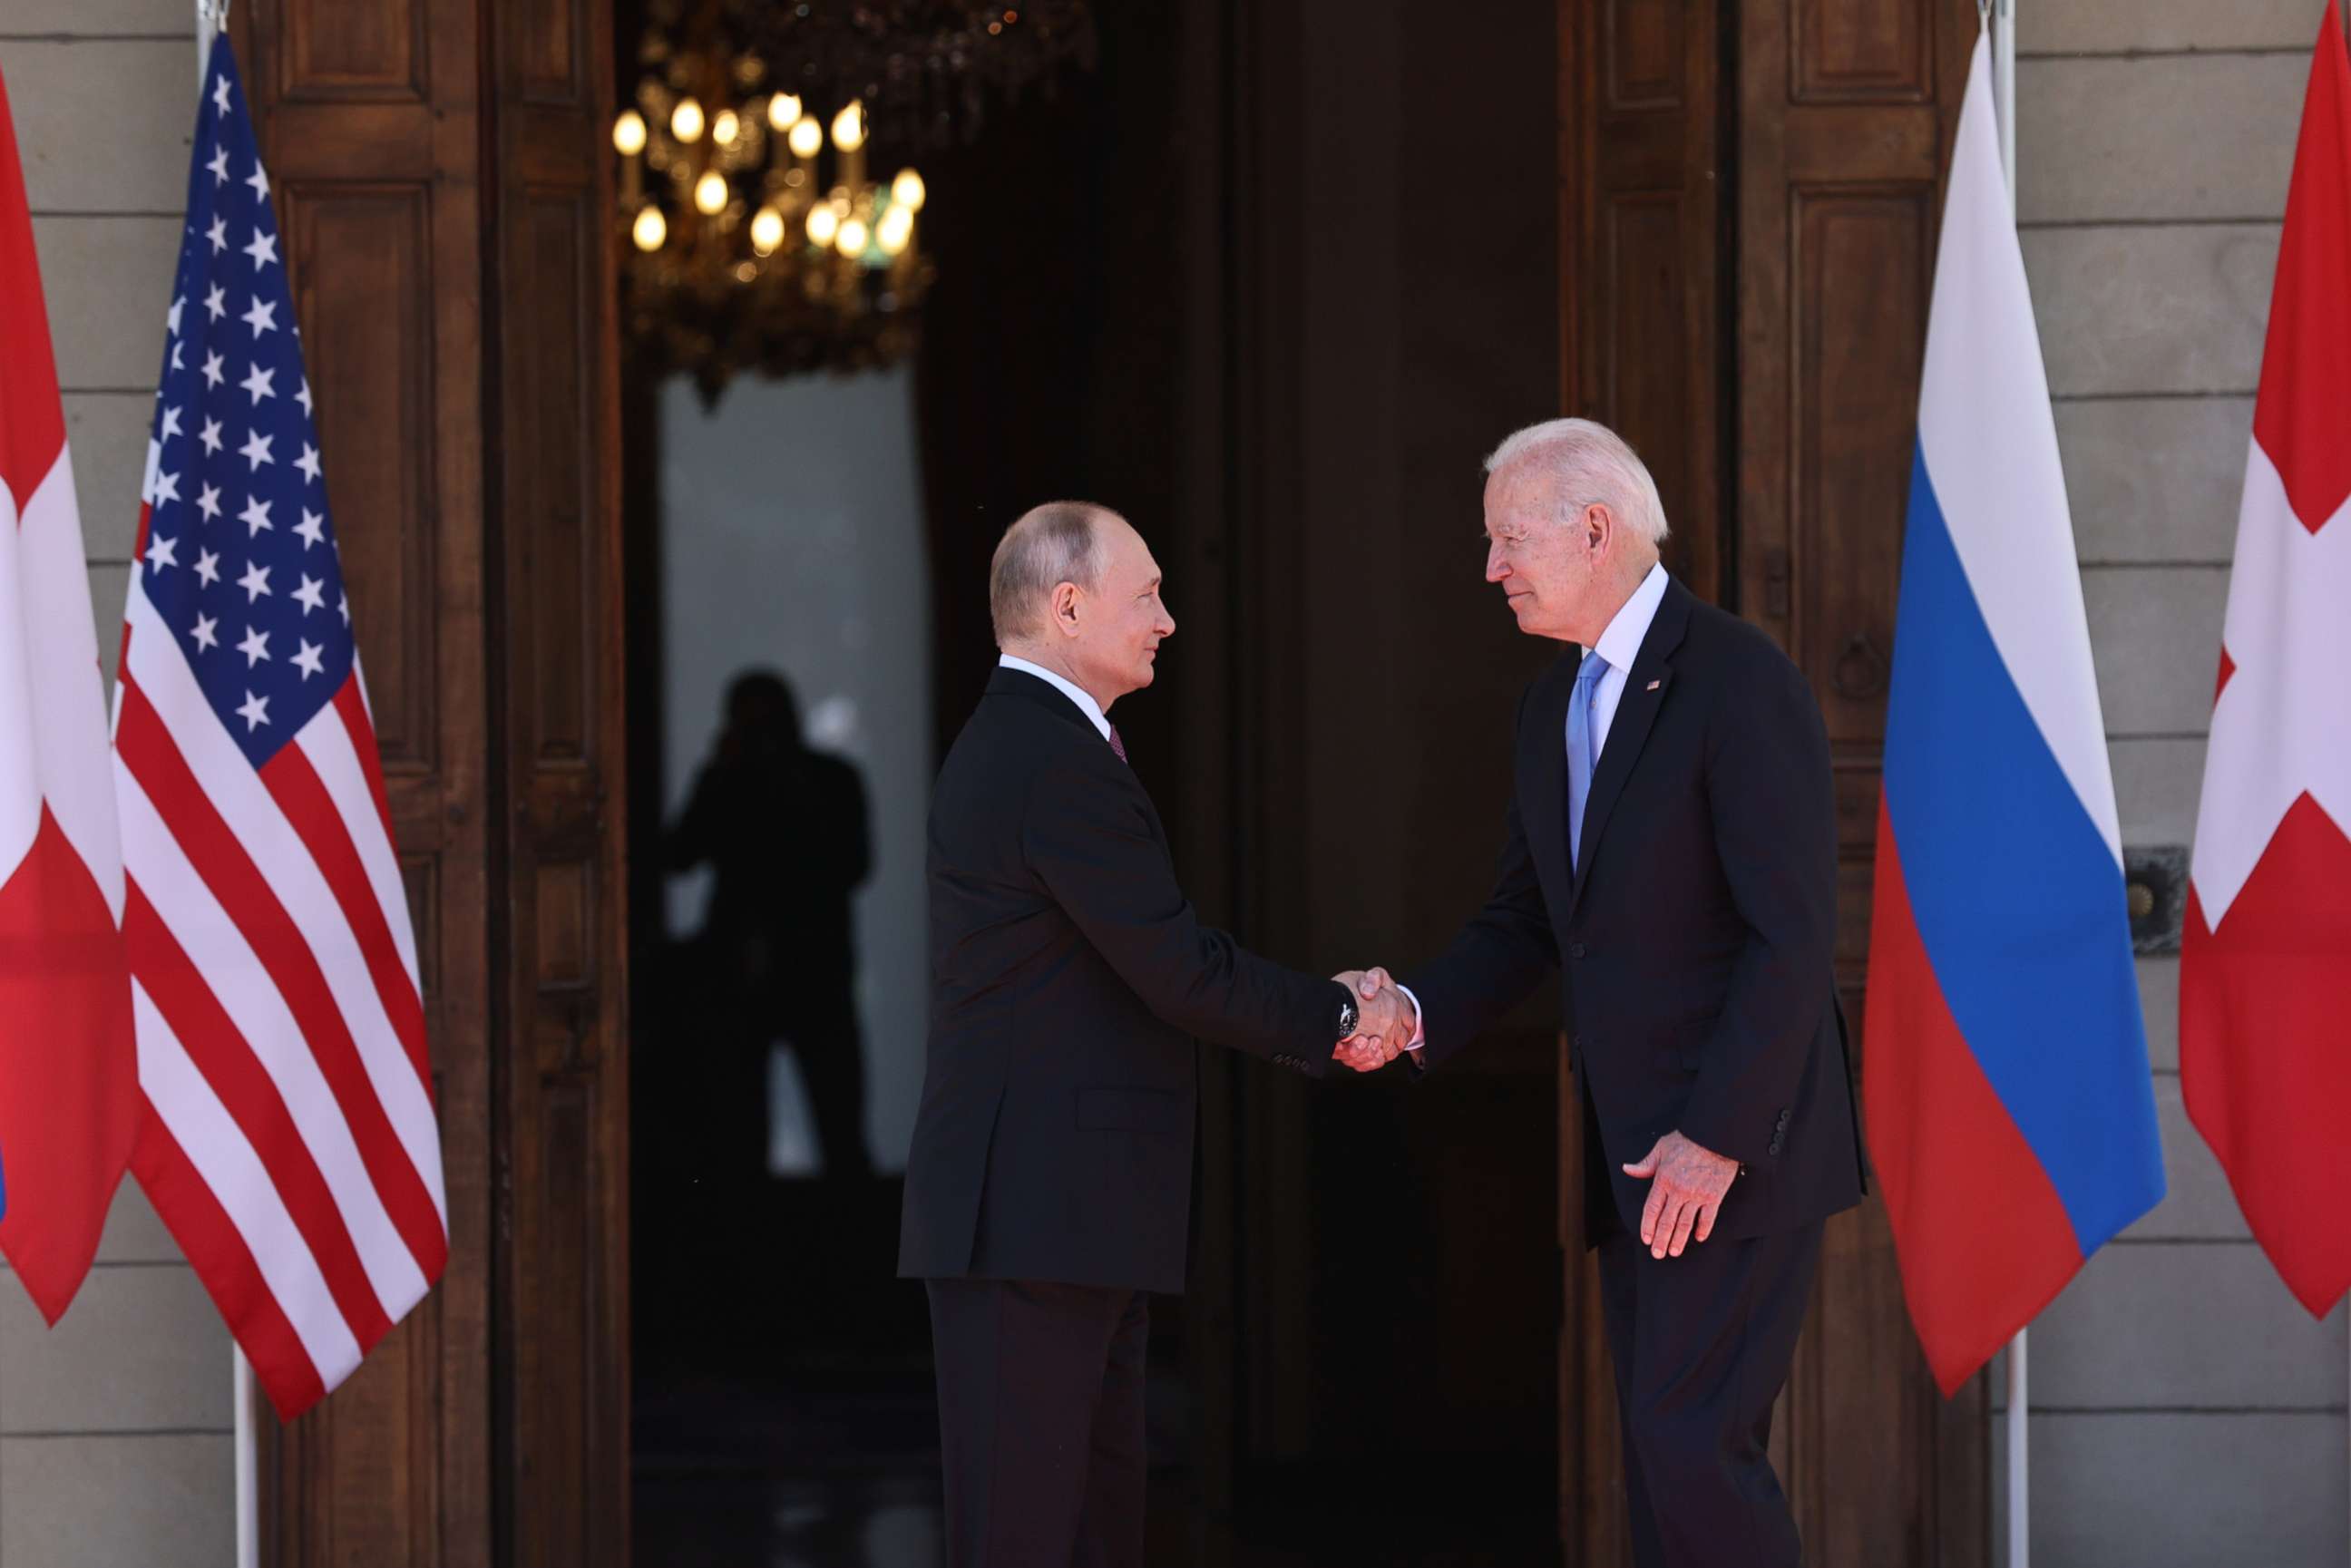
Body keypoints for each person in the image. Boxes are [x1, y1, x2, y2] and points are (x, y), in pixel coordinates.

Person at [1348, 419, 1867, 1568]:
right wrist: (1416, 1012)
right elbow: (1529, 920)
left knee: (1694, 1451)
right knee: (1664, 1458)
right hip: (1635, 1153)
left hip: (1730, 1149)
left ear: (1595, 529)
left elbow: (1791, 938)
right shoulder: (1550, 709)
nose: (1491, 570)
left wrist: (1718, 1138)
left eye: (1506, 540)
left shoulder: (1738, 679)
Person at [898, 500, 1408, 1568]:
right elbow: (1177, 968)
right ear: (1069, 604)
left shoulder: (1043, 746)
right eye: (1149, 596)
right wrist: (1347, 1013)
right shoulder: (1050, 758)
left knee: (1088, 1533)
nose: (1169, 620)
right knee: (1034, 1541)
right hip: (1030, 1219)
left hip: (1059, 1218)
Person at [667, 668, 874, 1180]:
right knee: (738, 1141)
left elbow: (854, 863)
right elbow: (678, 854)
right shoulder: (731, 779)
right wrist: (719, 775)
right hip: (744, 974)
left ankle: (856, 1246)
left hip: (812, 970)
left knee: (837, 1133)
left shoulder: (829, 779)